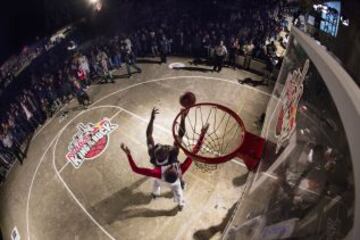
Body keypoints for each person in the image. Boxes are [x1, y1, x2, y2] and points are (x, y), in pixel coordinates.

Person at [120, 123, 208, 211]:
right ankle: (180, 204)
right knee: (179, 194)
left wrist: (129, 155)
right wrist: (202, 134)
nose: (173, 167)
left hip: (160, 181)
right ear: (177, 173)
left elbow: (135, 169)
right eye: (174, 168)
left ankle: (155, 194)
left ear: (166, 172)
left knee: (156, 184)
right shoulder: (181, 169)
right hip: (175, 184)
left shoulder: (157, 172)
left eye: (171, 168)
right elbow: (195, 151)